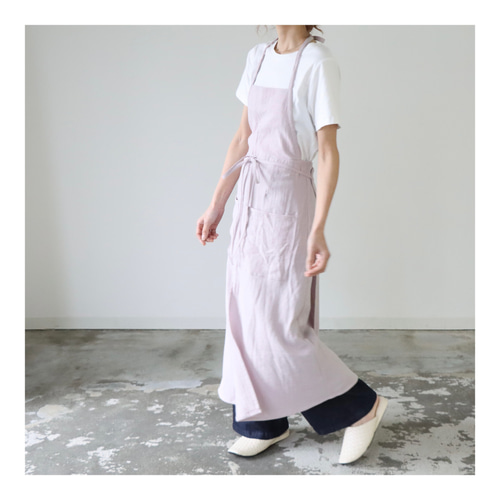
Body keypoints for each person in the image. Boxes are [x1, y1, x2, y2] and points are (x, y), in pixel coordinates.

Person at [196, 25, 388, 465]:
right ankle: (263, 423)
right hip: (251, 198)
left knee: (280, 321)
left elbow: (327, 151)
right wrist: (216, 204)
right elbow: (242, 138)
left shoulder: (318, 63)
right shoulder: (258, 57)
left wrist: (319, 227)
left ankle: (362, 408)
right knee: (245, 312)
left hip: (288, 201)